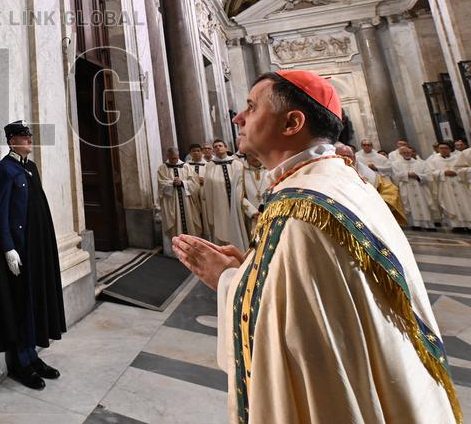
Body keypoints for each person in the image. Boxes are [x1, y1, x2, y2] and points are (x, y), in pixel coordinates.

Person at [173, 70, 461, 424]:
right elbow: (321, 291)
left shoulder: (301, 211)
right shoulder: (336, 179)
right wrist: (251, 266)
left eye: (251, 106)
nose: (238, 117)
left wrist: (228, 281)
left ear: (293, 122)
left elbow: (297, 337)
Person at [0, 120, 65, 390]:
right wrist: (8, 248)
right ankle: (20, 362)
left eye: (30, 137)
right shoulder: (4, 170)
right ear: (12, 141)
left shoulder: (30, 168)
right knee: (20, 304)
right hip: (18, 250)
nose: (29, 141)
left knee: (33, 300)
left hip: (35, 249)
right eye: (24, 138)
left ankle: (32, 355)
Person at [203, 139, 248, 250]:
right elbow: (208, 189)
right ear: (213, 150)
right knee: (221, 229)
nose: (218, 147)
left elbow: (243, 185)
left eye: (220, 145)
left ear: (226, 148)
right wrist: (210, 209)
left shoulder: (237, 164)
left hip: (236, 204)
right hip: (219, 205)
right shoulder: (210, 166)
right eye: (215, 146)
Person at [158, 147, 202, 254]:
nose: (174, 160)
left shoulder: (186, 166)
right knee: (175, 224)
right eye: (171, 158)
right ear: (167, 156)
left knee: (189, 222)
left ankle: (192, 248)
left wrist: (183, 183)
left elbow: (195, 184)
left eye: (175, 158)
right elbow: (161, 184)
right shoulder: (162, 168)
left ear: (178, 156)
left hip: (187, 201)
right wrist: (172, 183)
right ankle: (175, 252)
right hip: (172, 202)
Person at [426, 141, 471, 232]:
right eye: (441, 148)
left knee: (465, 203)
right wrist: (443, 173)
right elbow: (429, 173)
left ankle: (468, 224)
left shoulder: (458, 158)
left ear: (450, 149)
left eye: (446, 148)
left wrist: (458, 172)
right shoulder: (433, 160)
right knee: (449, 204)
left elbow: (463, 168)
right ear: (438, 149)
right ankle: (456, 226)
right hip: (444, 185)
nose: (443, 150)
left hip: (460, 184)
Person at [396, 146, 436, 229]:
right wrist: (407, 174)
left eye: (408, 152)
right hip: (407, 188)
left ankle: (427, 224)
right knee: (410, 205)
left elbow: (428, 176)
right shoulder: (397, 164)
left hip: (420, 187)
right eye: (404, 153)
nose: (407, 154)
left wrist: (417, 175)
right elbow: (395, 175)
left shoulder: (420, 163)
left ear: (412, 153)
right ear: (400, 154)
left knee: (423, 204)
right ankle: (415, 224)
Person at [186, 143, 210, 234]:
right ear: (190, 153)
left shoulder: (208, 165)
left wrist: (206, 181)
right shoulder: (186, 166)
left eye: (198, 151)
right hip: (192, 196)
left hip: (205, 193)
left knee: (206, 216)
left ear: (202, 152)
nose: (196, 153)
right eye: (193, 151)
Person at [241, 155, 267, 235]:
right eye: (250, 155)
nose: (254, 157)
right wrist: (253, 212)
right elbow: (239, 197)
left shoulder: (270, 170)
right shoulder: (240, 174)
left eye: (256, 154)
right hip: (251, 218)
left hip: (270, 212)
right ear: (246, 157)